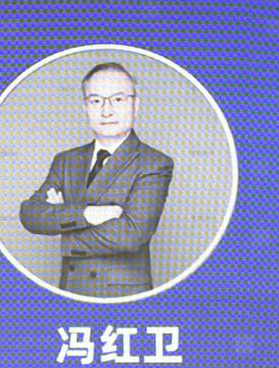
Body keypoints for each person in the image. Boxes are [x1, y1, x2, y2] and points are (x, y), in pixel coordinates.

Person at [16, 61, 175, 299]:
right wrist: (88, 214)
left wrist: (63, 221)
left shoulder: (153, 162)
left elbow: (131, 236)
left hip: (122, 296)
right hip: (70, 290)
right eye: (96, 101)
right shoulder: (66, 160)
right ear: (85, 107)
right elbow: (30, 214)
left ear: (136, 105)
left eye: (118, 99)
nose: (106, 111)